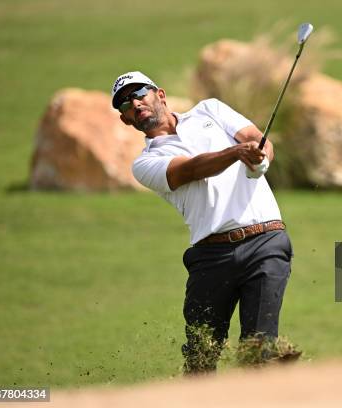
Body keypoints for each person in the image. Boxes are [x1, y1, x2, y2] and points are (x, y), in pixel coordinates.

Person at [111, 71, 294, 374]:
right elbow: (192, 170)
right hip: (211, 259)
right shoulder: (144, 163)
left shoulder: (210, 110)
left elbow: (255, 138)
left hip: (266, 242)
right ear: (126, 119)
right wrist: (237, 153)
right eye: (124, 103)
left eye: (139, 92)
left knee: (259, 348)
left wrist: (261, 157)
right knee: (201, 357)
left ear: (161, 94)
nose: (134, 102)